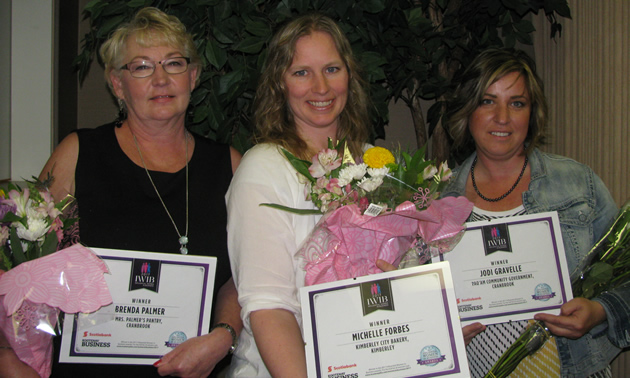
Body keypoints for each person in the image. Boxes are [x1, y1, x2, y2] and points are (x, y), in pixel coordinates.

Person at [0, 7, 242, 378]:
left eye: (174, 64)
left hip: (191, 370)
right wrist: (8, 357)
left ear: (193, 77)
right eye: (142, 66)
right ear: (117, 84)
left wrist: (224, 336)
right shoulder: (78, 154)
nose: (161, 79)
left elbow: (241, 277)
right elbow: (19, 261)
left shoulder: (228, 165)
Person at [441, 47, 629, 377]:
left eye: (517, 103)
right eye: (488, 101)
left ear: (532, 112)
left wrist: (599, 311)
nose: (502, 117)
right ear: (467, 109)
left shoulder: (578, 184)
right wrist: (440, 331)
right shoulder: (435, 200)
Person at [226, 13, 371, 376]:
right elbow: (268, 306)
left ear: (349, 76)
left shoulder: (374, 165)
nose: (320, 87)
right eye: (301, 72)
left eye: (332, 69)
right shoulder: (264, 169)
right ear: (280, 83)